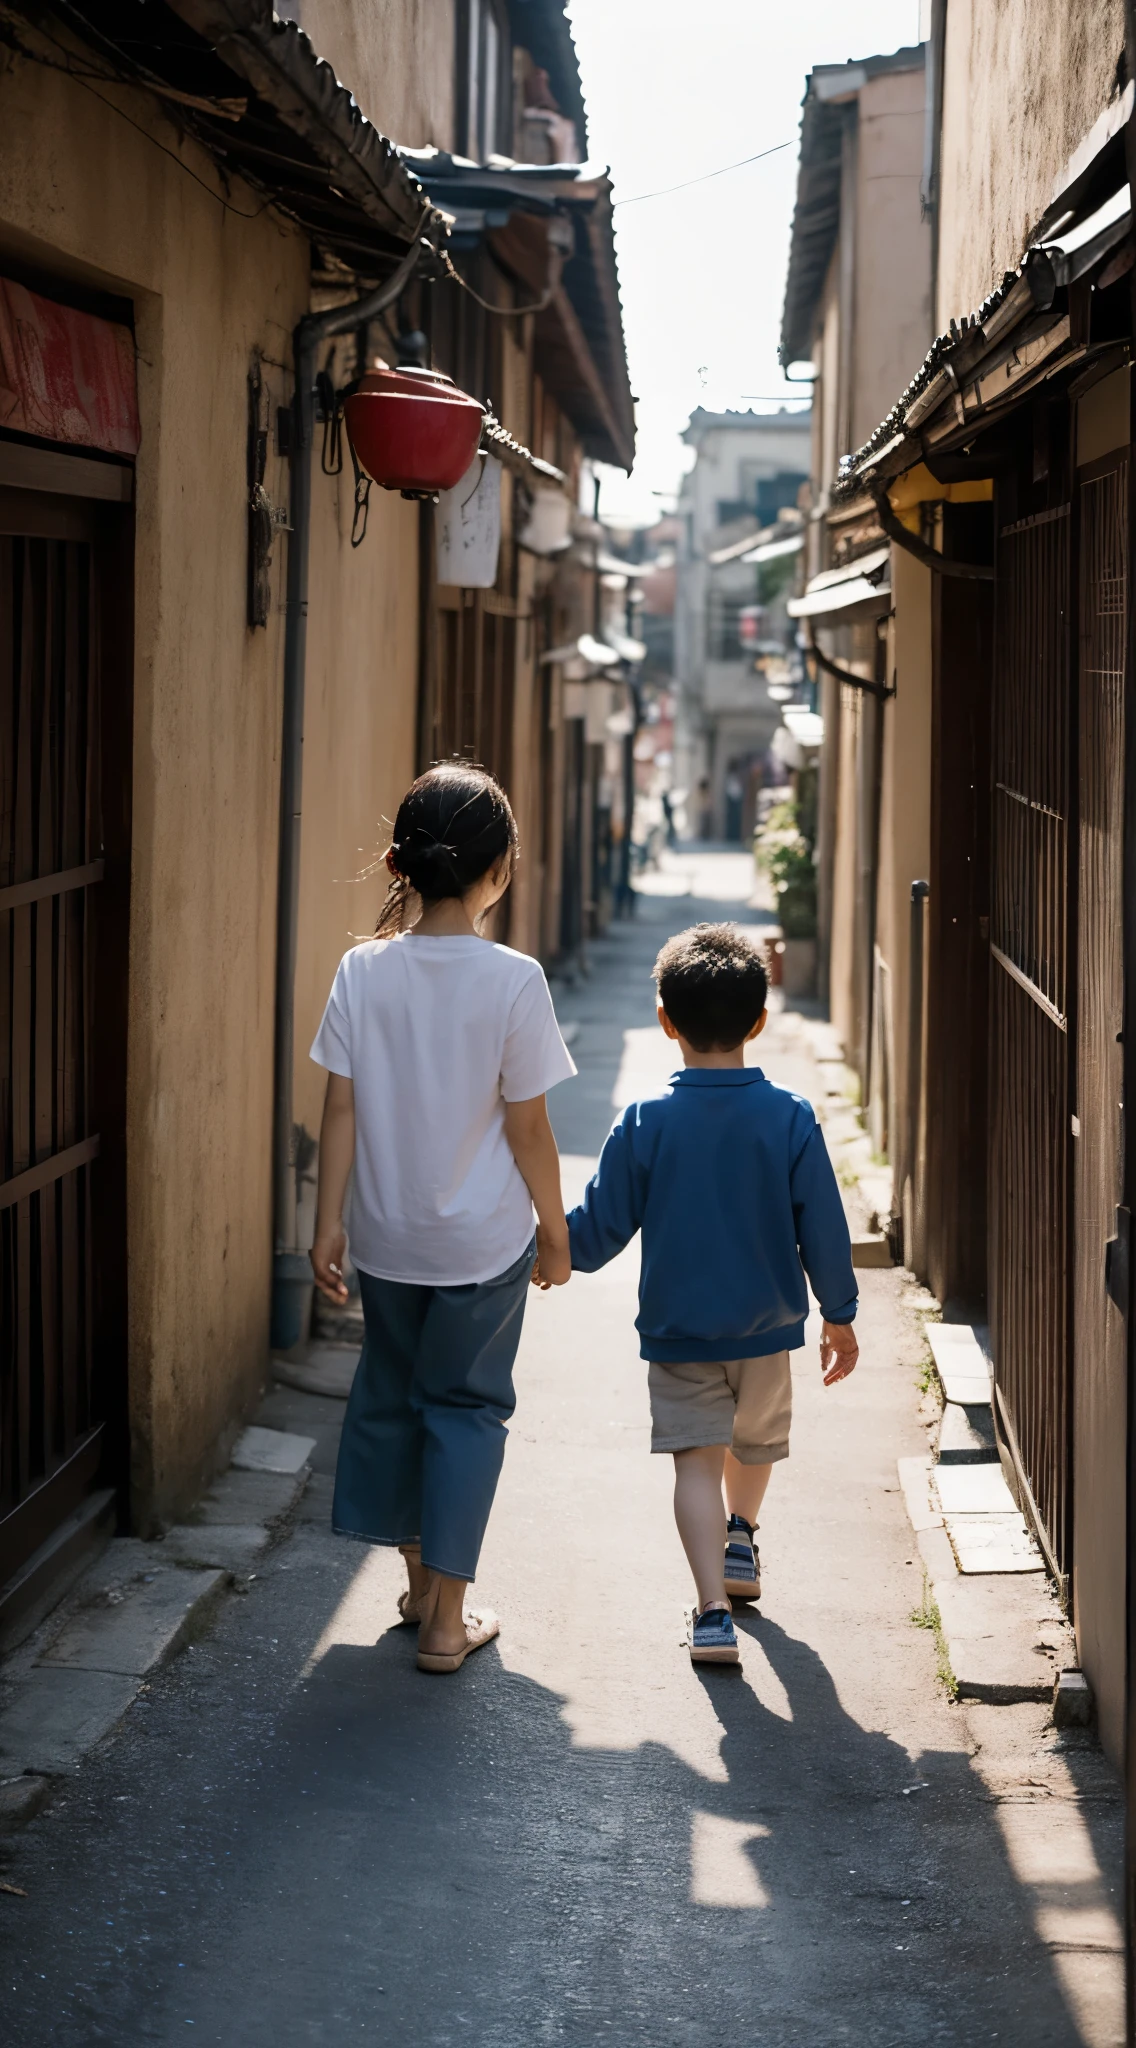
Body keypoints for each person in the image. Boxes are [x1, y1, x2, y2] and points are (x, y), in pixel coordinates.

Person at [309, 763, 576, 1674]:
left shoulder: (362, 970)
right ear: (498, 869)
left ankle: (420, 1585)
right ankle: (444, 1620)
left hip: (385, 1235)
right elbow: (529, 1125)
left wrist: (327, 1223)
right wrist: (556, 1228)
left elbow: (337, 1109)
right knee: (464, 1409)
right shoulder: (513, 980)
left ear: (403, 865)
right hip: (482, 1242)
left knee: (393, 1397)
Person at [563, 922, 858, 1665]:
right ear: (760, 1021)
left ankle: (711, 1613)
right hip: (767, 1330)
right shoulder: (789, 1118)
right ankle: (742, 1540)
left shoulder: (644, 1121)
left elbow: (597, 1230)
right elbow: (823, 1225)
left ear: (665, 1021)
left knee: (695, 1463)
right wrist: (840, 1315)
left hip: (680, 1331)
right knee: (756, 1445)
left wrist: (544, 1249)